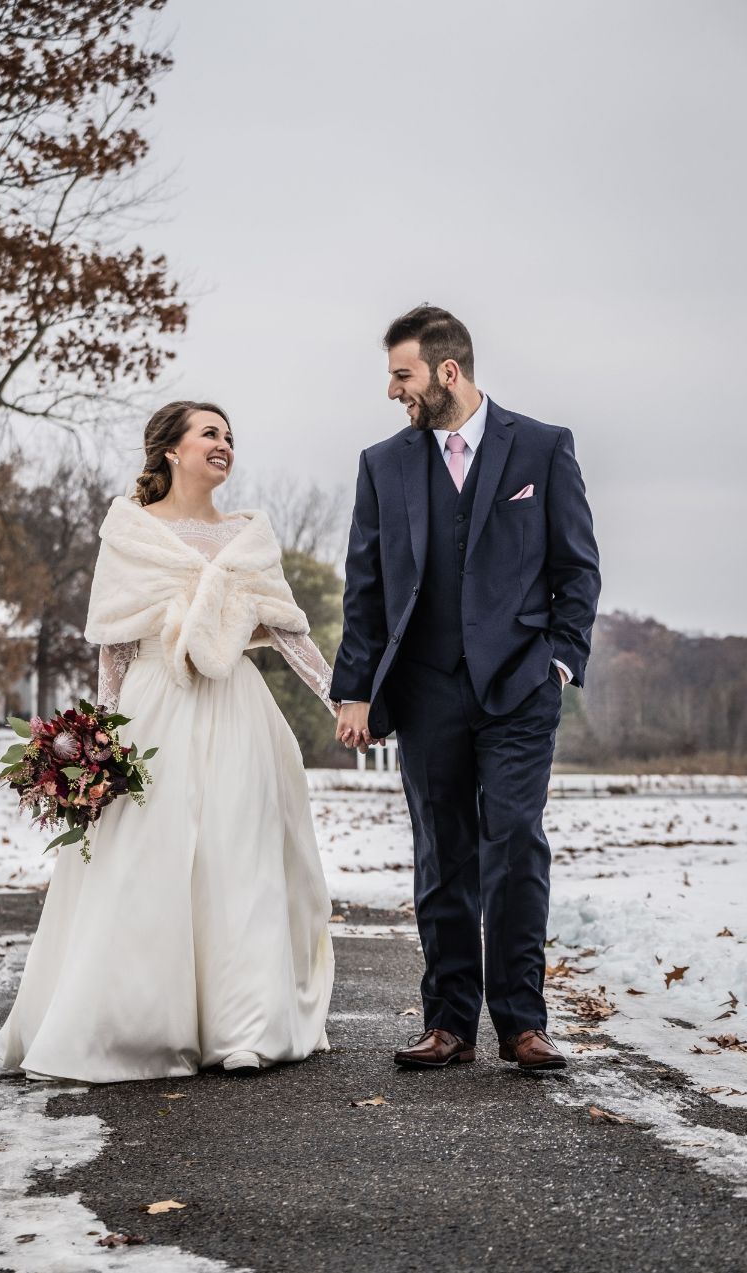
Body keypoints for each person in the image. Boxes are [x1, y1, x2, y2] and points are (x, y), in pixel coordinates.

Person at [0, 401, 335, 1082]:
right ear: (171, 450)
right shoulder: (131, 531)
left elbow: (291, 632)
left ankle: (244, 1028)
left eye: (231, 436)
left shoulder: (249, 537)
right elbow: (115, 644)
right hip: (156, 707)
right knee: (146, 862)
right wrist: (100, 739)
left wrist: (343, 701)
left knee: (240, 858)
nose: (224, 444)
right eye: (210, 433)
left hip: (238, 707)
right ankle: (140, 1024)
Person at [332, 306, 600, 1072]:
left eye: (403, 374)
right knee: (441, 854)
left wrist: (559, 658)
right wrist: (356, 688)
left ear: (448, 371)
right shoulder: (383, 463)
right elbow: (367, 586)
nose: (393, 391)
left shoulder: (543, 448)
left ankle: (523, 1022)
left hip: (519, 686)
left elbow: (577, 567)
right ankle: (449, 1022)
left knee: (514, 843)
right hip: (424, 691)